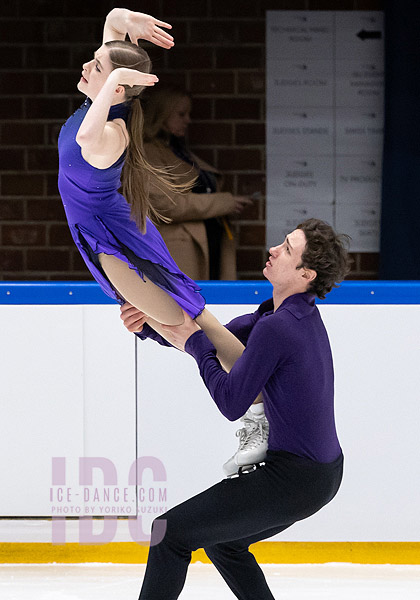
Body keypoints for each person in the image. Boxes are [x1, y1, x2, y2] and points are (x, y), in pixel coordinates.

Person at [120, 218, 351, 600]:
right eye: (282, 241)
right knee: (224, 543)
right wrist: (148, 327)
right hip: (319, 474)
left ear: (306, 273)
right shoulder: (281, 315)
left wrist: (195, 346)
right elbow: (211, 338)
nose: (274, 249)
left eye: (288, 250)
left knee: (170, 533)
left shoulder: (280, 328)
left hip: (296, 478)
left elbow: (230, 400)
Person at [57, 6, 262, 378]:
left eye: (97, 67)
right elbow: (112, 22)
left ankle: (260, 399)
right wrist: (124, 22)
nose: (87, 66)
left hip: (114, 238)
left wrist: (116, 74)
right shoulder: (96, 105)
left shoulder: (110, 132)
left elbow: (86, 137)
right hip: (98, 231)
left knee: (186, 321)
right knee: (172, 324)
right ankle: (258, 399)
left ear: (116, 88)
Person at [142, 86, 253, 280]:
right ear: (161, 114)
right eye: (181, 114)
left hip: (208, 246)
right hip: (181, 249)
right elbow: (168, 205)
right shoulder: (148, 152)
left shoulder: (178, 151)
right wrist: (225, 202)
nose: (188, 120)